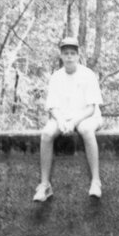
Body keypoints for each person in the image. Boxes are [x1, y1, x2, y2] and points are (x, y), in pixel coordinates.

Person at [33, 36, 104, 202]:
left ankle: (96, 181)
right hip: (63, 117)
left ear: (78, 55)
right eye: (66, 53)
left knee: (85, 130)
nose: (69, 57)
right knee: (46, 134)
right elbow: (52, 107)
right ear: (61, 56)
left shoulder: (88, 75)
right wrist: (61, 121)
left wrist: (73, 122)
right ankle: (44, 184)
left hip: (88, 116)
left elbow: (91, 108)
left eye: (72, 53)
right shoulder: (56, 77)